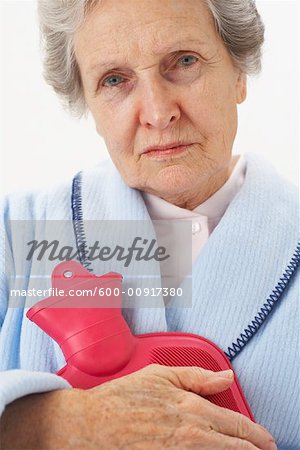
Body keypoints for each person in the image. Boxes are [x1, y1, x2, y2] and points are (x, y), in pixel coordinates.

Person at [0, 0, 299, 448]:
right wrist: (65, 422)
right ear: (87, 100)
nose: (158, 113)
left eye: (183, 62)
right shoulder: (13, 234)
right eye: (115, 80)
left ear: (239, 72)